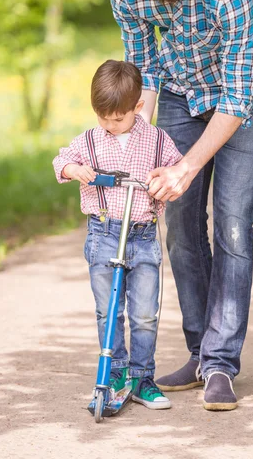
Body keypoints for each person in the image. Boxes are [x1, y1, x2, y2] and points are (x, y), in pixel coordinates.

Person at [109, 0, 253, 412]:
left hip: (244, 97)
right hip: (181, 96)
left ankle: (222, 363)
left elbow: (235, 97)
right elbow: (142, 70)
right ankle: (199, 350)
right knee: (180, 222)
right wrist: (141, 148)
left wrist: (186, 165)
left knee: (231, 224)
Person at [52, 59, 182, 410]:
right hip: (104, 231)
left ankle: (142, 378)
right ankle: (116, 372)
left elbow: (176, 171)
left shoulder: (156, 140)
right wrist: (74, 168)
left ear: (138, 107)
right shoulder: (91, 140)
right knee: (108, 309)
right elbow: (59, 161)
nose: (110, 125)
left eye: (118, 118)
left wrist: (165, 180)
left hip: (142, 234)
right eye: (103, 117)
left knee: (144, 312)